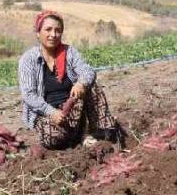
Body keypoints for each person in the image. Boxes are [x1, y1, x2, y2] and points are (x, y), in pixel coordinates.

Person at [18, 10, 121, 149]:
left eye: (58, 30)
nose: (53, 35)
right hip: (47, 113)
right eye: (48, 29)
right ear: (38, 32)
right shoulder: (28, 59)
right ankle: (78, 137)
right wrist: (51, 112)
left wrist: (81, 83)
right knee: (53, 138)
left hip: (72, 106)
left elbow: (87, 71)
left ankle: (100, 133)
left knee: (91, 85)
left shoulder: (69, 52)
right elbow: (29, 95)